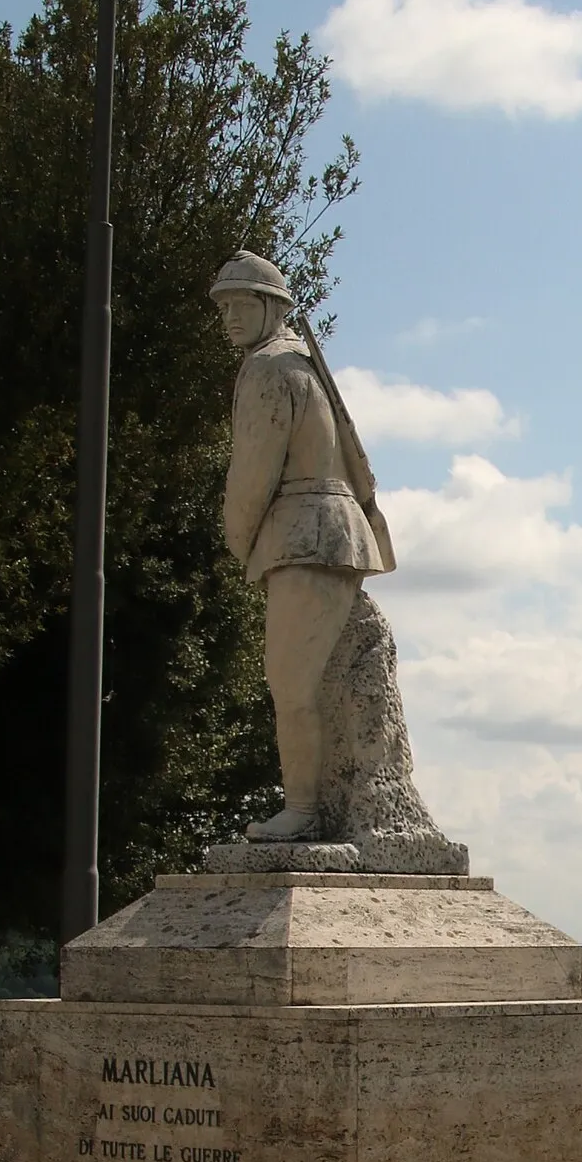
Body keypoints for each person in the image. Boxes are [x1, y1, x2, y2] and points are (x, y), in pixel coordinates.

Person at [210, 248, 394, 844]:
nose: (230, 318)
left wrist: (236, 541)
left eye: (241, 305)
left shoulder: (269, 370)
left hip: (304, 534)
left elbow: (251, 477)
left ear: (271, 307)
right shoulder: (302, 364)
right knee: (311, 679)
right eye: (224, 308)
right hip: (333, 531)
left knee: (290, 680)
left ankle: (304, 808)